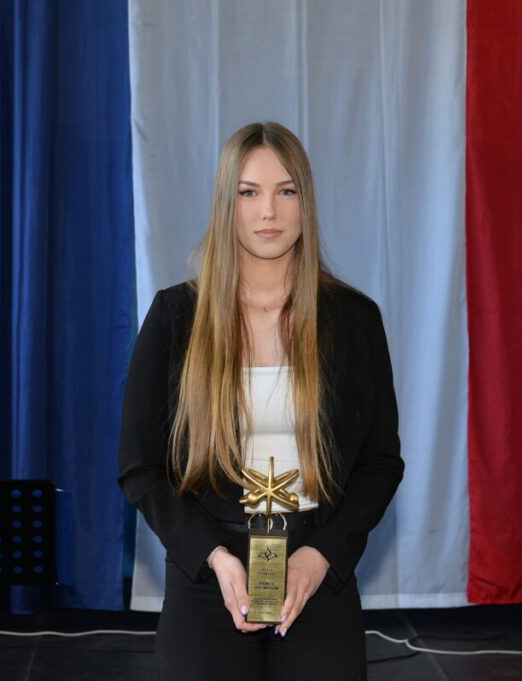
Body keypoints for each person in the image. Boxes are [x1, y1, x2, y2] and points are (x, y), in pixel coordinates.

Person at [118, 121, 403, 680]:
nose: (268, 211)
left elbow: (380, 464)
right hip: (209, 571)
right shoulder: (175, 317)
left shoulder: (355, 319)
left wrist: (320, 556)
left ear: (305, 201)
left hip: (317, 569)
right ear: (227, 204)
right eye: (249, 193)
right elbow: (139, 468)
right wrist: (213, 557)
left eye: (286, 191)